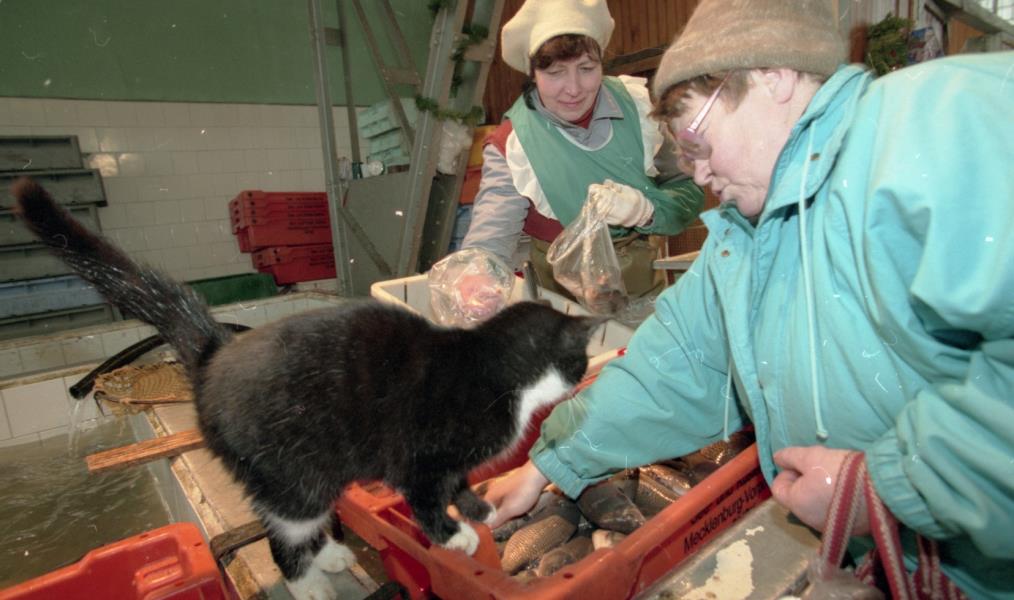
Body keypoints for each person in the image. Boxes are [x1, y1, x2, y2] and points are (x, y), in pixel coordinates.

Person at [483, 0, 1014, 597]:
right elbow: (679, 362)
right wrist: (552, 461)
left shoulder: (937, 127)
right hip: (907, 569)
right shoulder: (746, 236)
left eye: (696, 141)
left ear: (773, 78)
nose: (697, 175)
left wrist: (892, 485)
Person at [459, 0, 704, 300]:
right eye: (555, 73)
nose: (573, 89)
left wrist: (647, 210)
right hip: (562, 300)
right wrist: (476, 276)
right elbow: (491, 234)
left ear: (602, 63)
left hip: (642, 288)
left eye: (586, 69)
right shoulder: (514, 144)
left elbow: (687, 189)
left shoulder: (637, 109)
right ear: (533, 74)